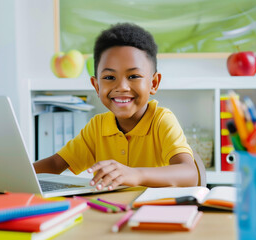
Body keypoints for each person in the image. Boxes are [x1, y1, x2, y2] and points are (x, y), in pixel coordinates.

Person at [34, 23, 198, 190]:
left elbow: (190, 174)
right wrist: (12, 175)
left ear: (154, 83)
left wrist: (136, 174)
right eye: (110, 77)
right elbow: (55, 164)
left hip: (154, 212)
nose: (122, 87)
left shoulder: (161, 121)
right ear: (96, 86)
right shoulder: (97, 127)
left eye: (134, 76)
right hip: (111, 211)